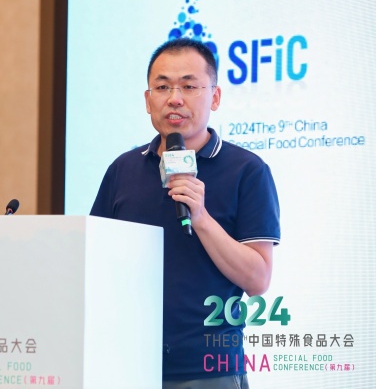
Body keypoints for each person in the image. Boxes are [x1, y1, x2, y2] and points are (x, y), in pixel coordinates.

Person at [90, 38, 280, 389]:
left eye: (189, 86)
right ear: (148, 100)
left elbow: (258, 280)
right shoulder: (123, 170)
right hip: (126, 363)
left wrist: (201, 218)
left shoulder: (247, 170)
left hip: (208, 369)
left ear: (215, 97)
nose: (174, 98)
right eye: (162, 87)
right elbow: (95, 263)